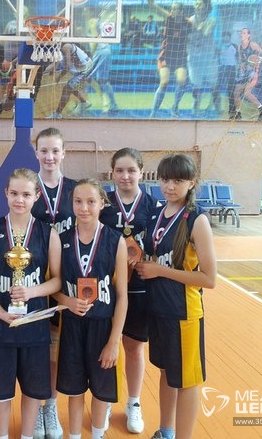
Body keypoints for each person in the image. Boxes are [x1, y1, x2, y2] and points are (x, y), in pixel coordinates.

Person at [0, 168, 62, 439]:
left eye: (25, 194)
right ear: (6, 194)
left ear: (37, 196)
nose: (19, 200)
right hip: (1, 326)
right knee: (0, 392)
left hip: (35, 325)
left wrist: (31, 292)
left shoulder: (48, 233)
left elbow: (58, 280)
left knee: (33, 390)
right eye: (14, 193)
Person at [136, 154, 217, 439]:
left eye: (178, 180)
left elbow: (209, 279)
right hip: (158, 309)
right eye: (165, 179)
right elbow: (155, 255)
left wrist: (160, 270)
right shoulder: (157, 214)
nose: (170, 186)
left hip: (183, 314)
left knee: (187, 382)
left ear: (191, 182)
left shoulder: (197, 220)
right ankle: (167, 431)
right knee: (166, 373)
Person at [54, 178, 128, 439]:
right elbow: (54, 287)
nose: (84, 207)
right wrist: (67, 301)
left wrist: (114, 341)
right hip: (72, 326)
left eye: (90, 201)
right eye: (78, 201)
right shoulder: (61, 240)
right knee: (74, 391)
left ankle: (97, 435)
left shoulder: (115, 241)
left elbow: (122, 296)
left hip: (103, 327)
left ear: (102, 204)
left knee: (100, 391)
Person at [98, 148, 162, 434]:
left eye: (131, 170)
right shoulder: (103, 204)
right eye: (120, 170)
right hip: (106, 287)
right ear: (112, 172)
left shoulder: (153, 206)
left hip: (139, 288)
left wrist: (147, 259)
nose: (125, 176)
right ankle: (105, 399)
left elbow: (160, 246)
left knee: (134, 348)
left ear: (141, 172)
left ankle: (134, 403)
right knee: (105, 345)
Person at [29, 127, 76, 439]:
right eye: (44, 150)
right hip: (33, 280)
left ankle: (51, 406)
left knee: (57, 350)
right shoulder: (27, 187)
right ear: (36, 153)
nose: (49, 156)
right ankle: (36, 406)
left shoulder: (74, 189)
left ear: (63, 153)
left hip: (68, 279)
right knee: (37, 348)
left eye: (55, 151)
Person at [142, 0, 192, 118]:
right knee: (164, 83)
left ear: (181, 11)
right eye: (172, 9)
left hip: (180, 56)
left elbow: (198, 21)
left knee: (182, 81)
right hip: (166, 56)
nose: (173, 11)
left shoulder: (188, 22)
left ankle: (174, 107)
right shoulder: (168, 18)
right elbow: (152, 4)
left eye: (176, 9)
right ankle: (153, 112)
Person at [186, 0, 217, 116]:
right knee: (196, 86)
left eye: (201, 4)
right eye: (196, 3)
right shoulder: (189, 20)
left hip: (208, 58)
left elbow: (205, 33)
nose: (198, 6)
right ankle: (196, 106)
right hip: (194, 58)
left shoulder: (212, 20)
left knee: (214, 84)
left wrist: (198, 27)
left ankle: (213, 105)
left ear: (207, 7)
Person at [46, 43, 93, 119]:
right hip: (81, 71)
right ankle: (84, 102)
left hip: (86, 70)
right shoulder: (58, 51)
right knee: (71, 88)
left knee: (66, 89)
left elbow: (68, 66)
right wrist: (46, 71)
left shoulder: (66, 47)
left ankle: (58, 114)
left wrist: (59, 77)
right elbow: (54, 64)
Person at [233, 28, 262, 120]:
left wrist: (258, 60)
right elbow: (240, 60)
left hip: (252, 72)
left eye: (244, 33)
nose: (242, 34)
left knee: (247, 93)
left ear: (248, 35)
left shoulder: (252, 44)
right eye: (241, 33)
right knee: (236, 93)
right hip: (243, 72)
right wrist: (241, 65)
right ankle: (238, 113)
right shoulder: (239, 46)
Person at [86, 19, 118, 113]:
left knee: (85, 77)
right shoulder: (96, 28)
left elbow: (94, 44)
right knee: (102, 80)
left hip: (100, 52)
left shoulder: (94, 27)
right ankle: (113, 104)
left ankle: (83, 103)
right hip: (106, 51)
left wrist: (90, 57)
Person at [211, 31, 237, 118]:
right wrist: (214, 70)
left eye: (227, 36)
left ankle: (232, 110)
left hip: (231, 69)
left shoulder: (235, 46)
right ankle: (217, 109)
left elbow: (239, 59)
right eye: (224, 36)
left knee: (231, 90)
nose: (225, 38)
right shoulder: (219, 47)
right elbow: (215, 59)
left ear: (230, 37)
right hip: (221, 69)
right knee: (216, 89)